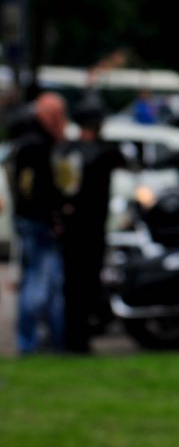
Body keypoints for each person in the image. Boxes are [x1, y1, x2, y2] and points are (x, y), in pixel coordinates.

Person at [59, 94, 129, 353]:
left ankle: (71, 336)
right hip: (92, 228)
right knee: (87, 284)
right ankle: (82, 337)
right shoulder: (104, 152)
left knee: (72, 285)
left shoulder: (67, 150)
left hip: (71, 228)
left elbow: (64, 190)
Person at [10, 91, 68, 354]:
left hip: (30, 220)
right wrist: (53, 215)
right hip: (38, 222)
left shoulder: (26, 141)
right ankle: (30, 341)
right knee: (39, 282)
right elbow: (37, 190)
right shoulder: (37, 145)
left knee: (43, 281)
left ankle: (47, 339)